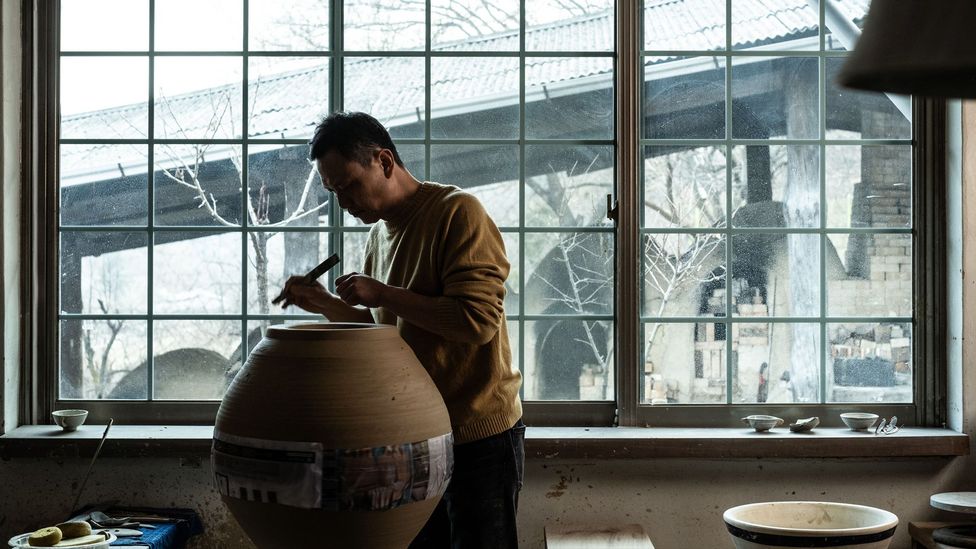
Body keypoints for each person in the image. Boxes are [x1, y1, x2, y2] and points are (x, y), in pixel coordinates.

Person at [279, 111, 524, 549]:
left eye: (349, 184)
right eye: (333, 192)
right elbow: (383, 334)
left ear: (385, 162)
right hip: (413, 433)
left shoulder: (458, 212)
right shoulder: (380, 235)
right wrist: (323, 304)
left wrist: (384, 293)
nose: (344, 202)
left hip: (478, 436)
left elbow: (478, 323)